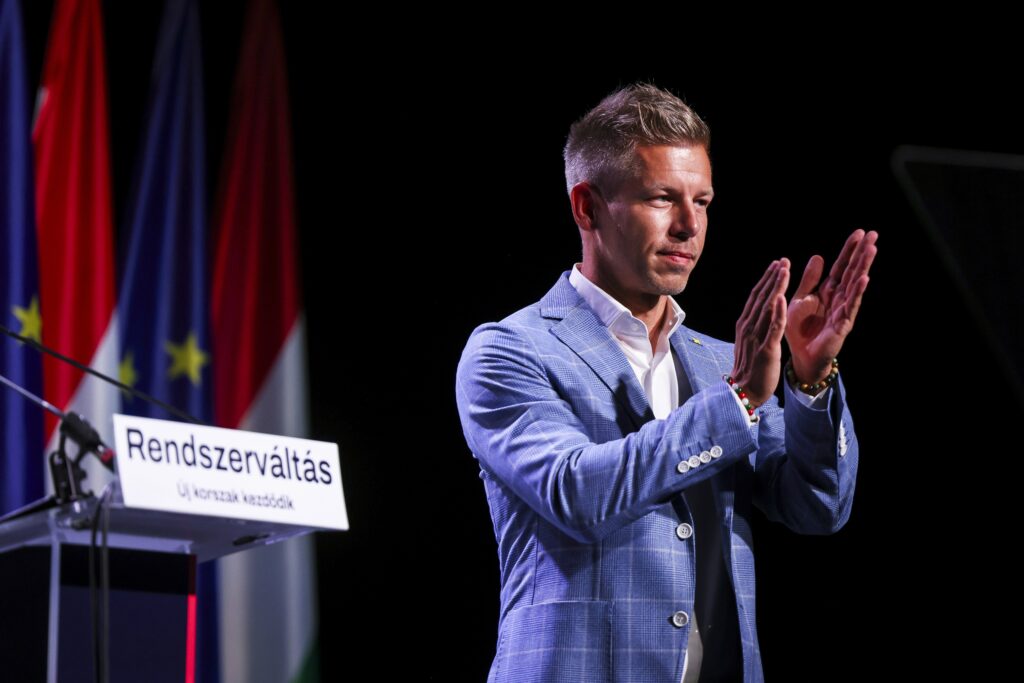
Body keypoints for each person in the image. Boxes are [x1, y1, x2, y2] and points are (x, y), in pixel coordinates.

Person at [455, 83, 877, 683]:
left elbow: (819, 508)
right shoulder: (509, 350)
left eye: (702, 202)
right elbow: (577, 494)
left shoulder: (721, 361)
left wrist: (810, 384)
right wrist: (739, 401)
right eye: (661, 198)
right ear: (588, 207)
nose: (689, 226)